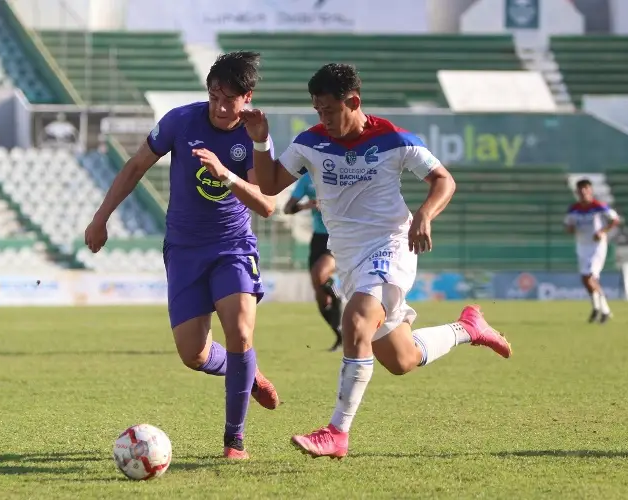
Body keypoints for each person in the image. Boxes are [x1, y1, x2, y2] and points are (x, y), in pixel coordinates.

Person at [241, 63, 512, 459]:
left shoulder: (392, 138)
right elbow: (268, 185)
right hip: (348, 258)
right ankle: (468, 327)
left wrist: (423, 215)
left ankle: (337, 433)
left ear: (353, 102)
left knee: (355, 320)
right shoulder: (310, 141)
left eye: (329, 110)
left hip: (391, 245)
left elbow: (443, 180)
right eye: (317, 110)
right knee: (402, 360)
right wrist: (261, 142)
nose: (323, 119)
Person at [84, 51, 280, 460]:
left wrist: (225, 174)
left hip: (233, 247)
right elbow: (136, 165)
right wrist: (101, 217)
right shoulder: (180, 120)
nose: (220, 107)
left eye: (229, 99)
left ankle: (234, 440)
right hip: (184, 250)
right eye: (213, 97)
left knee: (241, 333)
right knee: (194, 354)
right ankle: (248, 371)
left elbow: (266, 205)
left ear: (248, 97)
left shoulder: (255, 136)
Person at [283, 172, 343, 351]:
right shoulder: (307, 179)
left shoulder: (338, 173)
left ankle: (341, 301)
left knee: (320, 273)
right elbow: (287, 208)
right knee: (320, 295)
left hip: (338, 235)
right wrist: (306, 205)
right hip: (318, 238)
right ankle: (340, 334)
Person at [564, 178, 619, 323]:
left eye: (586, 190)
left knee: (589, 277)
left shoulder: (599, 206)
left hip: (597, 247)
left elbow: (615, 219)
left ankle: (604, 310)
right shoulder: (573, 209)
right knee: (585, 279)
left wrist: (602, 231)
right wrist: (570, 229)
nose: (583, 193)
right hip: (582, 246)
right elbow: (568, 225)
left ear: (590, 191)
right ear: (577, 192)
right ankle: (597, 308)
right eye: (580, 191)